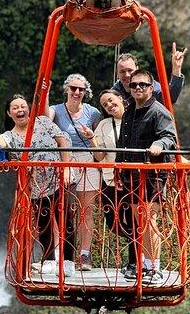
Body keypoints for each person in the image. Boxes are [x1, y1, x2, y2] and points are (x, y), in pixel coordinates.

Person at [0, 93, 76, 277]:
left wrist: (66, 168)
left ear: (29, 109)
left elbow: (62, 141)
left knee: (67, 221)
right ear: (9, 114)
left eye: (23, 106)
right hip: (35, 187)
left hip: (59, 179)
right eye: (15, 108)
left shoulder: (42, 121)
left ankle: (68, 261)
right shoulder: (10, 136)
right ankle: (48, 260)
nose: (20, 110)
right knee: (44, 224)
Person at [115, 69, 177, 285]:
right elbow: (122, 143)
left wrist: (159, 145)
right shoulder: (129, 112)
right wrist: (119, 168)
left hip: (153, 174)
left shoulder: (158, 111)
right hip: (130, 174)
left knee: (149, 220)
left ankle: (154, 267)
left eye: (142, 84)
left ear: (151, 88)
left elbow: (169, 136)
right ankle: (141, 264)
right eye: (134, 85)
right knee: (136, 220)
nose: (138, 88)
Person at [45, 74, 101, 271]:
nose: (77, 92)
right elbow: (44, 119)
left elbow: (98, 140)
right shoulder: (56, 110)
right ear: (67, 89)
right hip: (64, 162)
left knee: (86, 210)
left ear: (86, 92)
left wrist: (91, 136)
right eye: (73, 88)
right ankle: (62, 255)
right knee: (64, 211)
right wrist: (45, 93)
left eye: (81, 89)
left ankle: (84, 255)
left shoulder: (93, 113)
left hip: (87, 161)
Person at [80, 90, 137, 279]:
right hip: (110, 180)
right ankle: (137, 244)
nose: (109, 105)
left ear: (120, 99)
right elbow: (98, 156)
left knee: (133, 220)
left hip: (132, 180)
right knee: (113, 222)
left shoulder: (136, 118)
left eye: (111, 100)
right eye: (105, 104)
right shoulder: (104, 125)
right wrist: (91, 138)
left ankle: (134, 262)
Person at [112, 43, 187, 106]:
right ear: (117, 74)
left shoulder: (147, 85)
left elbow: (170, 98)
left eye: (130, 70)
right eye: (122, 72)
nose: (127, 75)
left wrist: (176, 68)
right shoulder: (116, 91)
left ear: (137, 70)